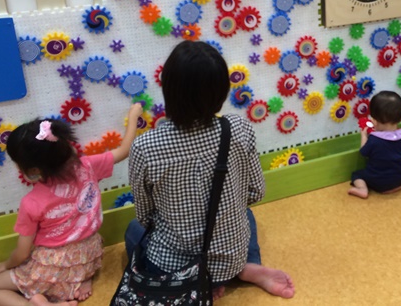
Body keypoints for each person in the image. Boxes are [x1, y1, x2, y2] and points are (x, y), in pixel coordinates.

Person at [125, 40, 295, 300]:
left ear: (168, 89)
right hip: (230, 259)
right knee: (245, 214)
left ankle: (196, 283)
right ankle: (247, 266)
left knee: (132, 230)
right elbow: (256, 192)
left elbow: (145, 215)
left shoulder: (145, 147)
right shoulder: (239, 128)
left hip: (177, 270)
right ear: (222, 92)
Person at [0, 103, 144, 306]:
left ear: (32, 170)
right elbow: (125, 150)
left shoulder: (31, 202)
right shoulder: (88, 166)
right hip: (89, 254)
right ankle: (76, 284)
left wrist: (5, 265)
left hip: (53, 265)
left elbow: (21, 253)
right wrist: (133, 116)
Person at [348, 90, 401, 199]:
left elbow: (363, 153)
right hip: (399, 179)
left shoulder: (374, 139)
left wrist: (364, 136)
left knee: (357, 174)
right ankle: (400, 185)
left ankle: (362, 189)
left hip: (377, 183)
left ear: (374, 121)